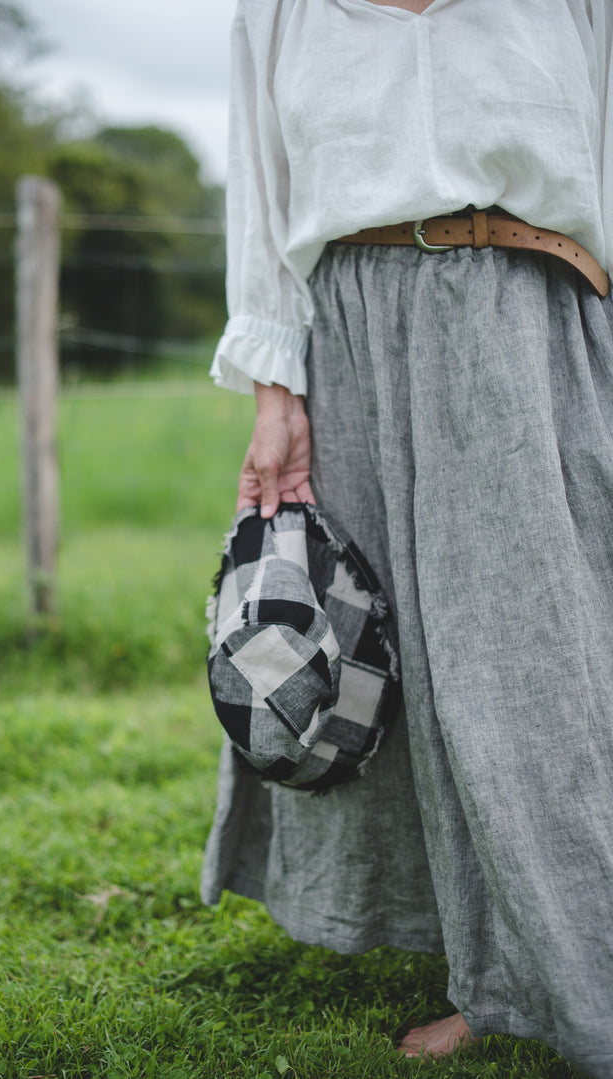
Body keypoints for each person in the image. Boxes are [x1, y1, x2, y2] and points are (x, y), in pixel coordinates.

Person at [200, 1, 613, 1074]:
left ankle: (566, 960)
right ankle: (476, 956)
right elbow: (263, 196)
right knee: (374, 654)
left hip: (533, 321)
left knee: (537, 665)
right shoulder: (283, 11)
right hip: (351, 339)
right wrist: (275, 390)